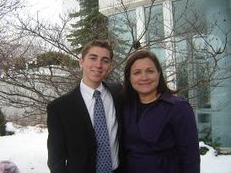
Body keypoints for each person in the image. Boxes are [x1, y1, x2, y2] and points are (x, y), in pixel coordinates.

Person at [47, 40, 124, 173]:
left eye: (105, 60)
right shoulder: (59, 107)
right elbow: (56, 160)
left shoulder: (119, 93)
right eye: (93, 58)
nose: (98, 65)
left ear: (110, 66)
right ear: (81, 62)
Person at [123, 49, 200, 173]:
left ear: (159, 73)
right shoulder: (126, 106)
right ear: (129, 78)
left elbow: (190, 157)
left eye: (150, 71)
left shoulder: (178, 107)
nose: (144, 77)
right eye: (137, 73)